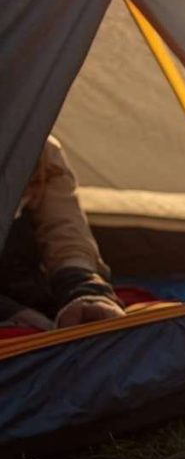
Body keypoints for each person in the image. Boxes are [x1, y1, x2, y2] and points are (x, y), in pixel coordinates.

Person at [0, 136, 125, 331]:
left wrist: (86, 291)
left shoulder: (40, 146)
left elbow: (64, 232)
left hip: (29, 293)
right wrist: (9, 311)